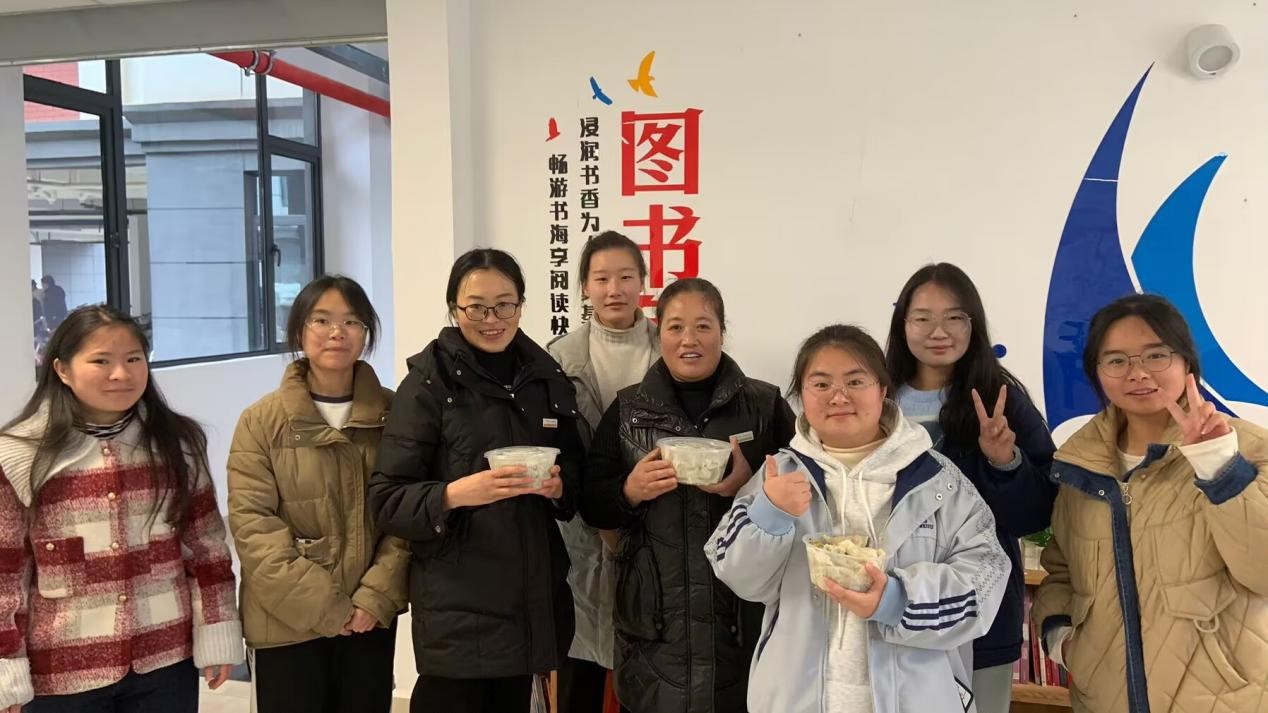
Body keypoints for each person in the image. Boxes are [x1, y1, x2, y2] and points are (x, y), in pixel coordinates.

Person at [707, 324, 1010, 713]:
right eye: (821, 384)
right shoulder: (778, 476)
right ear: (802, 395)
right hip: (796, 699)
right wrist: (770, 513)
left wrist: (897, 600)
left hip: (916, 700)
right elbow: (738, 577)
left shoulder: (938, 481)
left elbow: (986, 579)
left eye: (855, 381)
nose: (839, 396)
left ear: (883, 390)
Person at [368, 248, 585, 713]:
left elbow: (576, 474)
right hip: (458, 608)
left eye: (504, 305)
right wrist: (456, 493)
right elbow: (386, 499)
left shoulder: (545, 378)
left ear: (521, 305)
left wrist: (559, 487)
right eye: (477, 307)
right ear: (454, 308)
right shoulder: (429, 384)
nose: (492, 319)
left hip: (531, 598)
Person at [0, 305, 243, 713]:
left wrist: (216, 631)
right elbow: (6, 573)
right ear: (62, 369)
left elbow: (206, 549)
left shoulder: (177, 443)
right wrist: (6, 665)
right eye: (101, 361)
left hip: (165, 659)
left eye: (133, 359)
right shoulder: (20, 454)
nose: (121, 374)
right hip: (61, 671)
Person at [1033, 294, 1268, 713]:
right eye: (1116, 360)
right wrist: (1062, 641)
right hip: (1104, 701)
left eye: (1156, 355)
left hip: (1226, 701)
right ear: (1097, 372)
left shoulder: (1249, 449)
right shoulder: (1081, 465)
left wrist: (1220, 467)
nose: (1138, 373)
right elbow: (1062, 571)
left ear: (1186, 362)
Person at [581, 277, 797, 713]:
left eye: (703, 326)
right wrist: (629, 491)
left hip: (742, 620)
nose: (689, 340)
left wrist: (749, 485)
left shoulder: (764, 404)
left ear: (722, 331)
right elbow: (590, 504)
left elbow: (807, 495)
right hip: (654, 625)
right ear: (658, 332)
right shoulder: (628, 410)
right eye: (676, 327)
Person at [227, 275, 410, 713]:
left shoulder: (396, 414)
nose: (336, 332)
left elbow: (407, 516)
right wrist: (330, 610)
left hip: (369, 619)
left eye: (351, 321)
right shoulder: (260, 421)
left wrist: (373, 599)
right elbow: (254, 527)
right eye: (322, 320)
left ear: (366, 333)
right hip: (285, 622)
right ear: (298, 332)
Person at [884, 263, 1058, 712]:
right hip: (885, 606)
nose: (938, 331)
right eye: (923, 318)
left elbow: (1037, 513)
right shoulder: (873, 397)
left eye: (954, 317)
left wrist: (1004, 462)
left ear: (973, 324)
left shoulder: (1001, 399)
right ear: (903, 324)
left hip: (978, 612)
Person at [546, 231, 657, 713]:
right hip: (583, 531)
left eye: (626, 277)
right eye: (602, 278)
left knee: (649, 664)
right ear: (584, 287)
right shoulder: (558, 357)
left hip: (654, 520)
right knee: (582, 661)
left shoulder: (670, 346)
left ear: (643, 281)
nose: (615, 289)